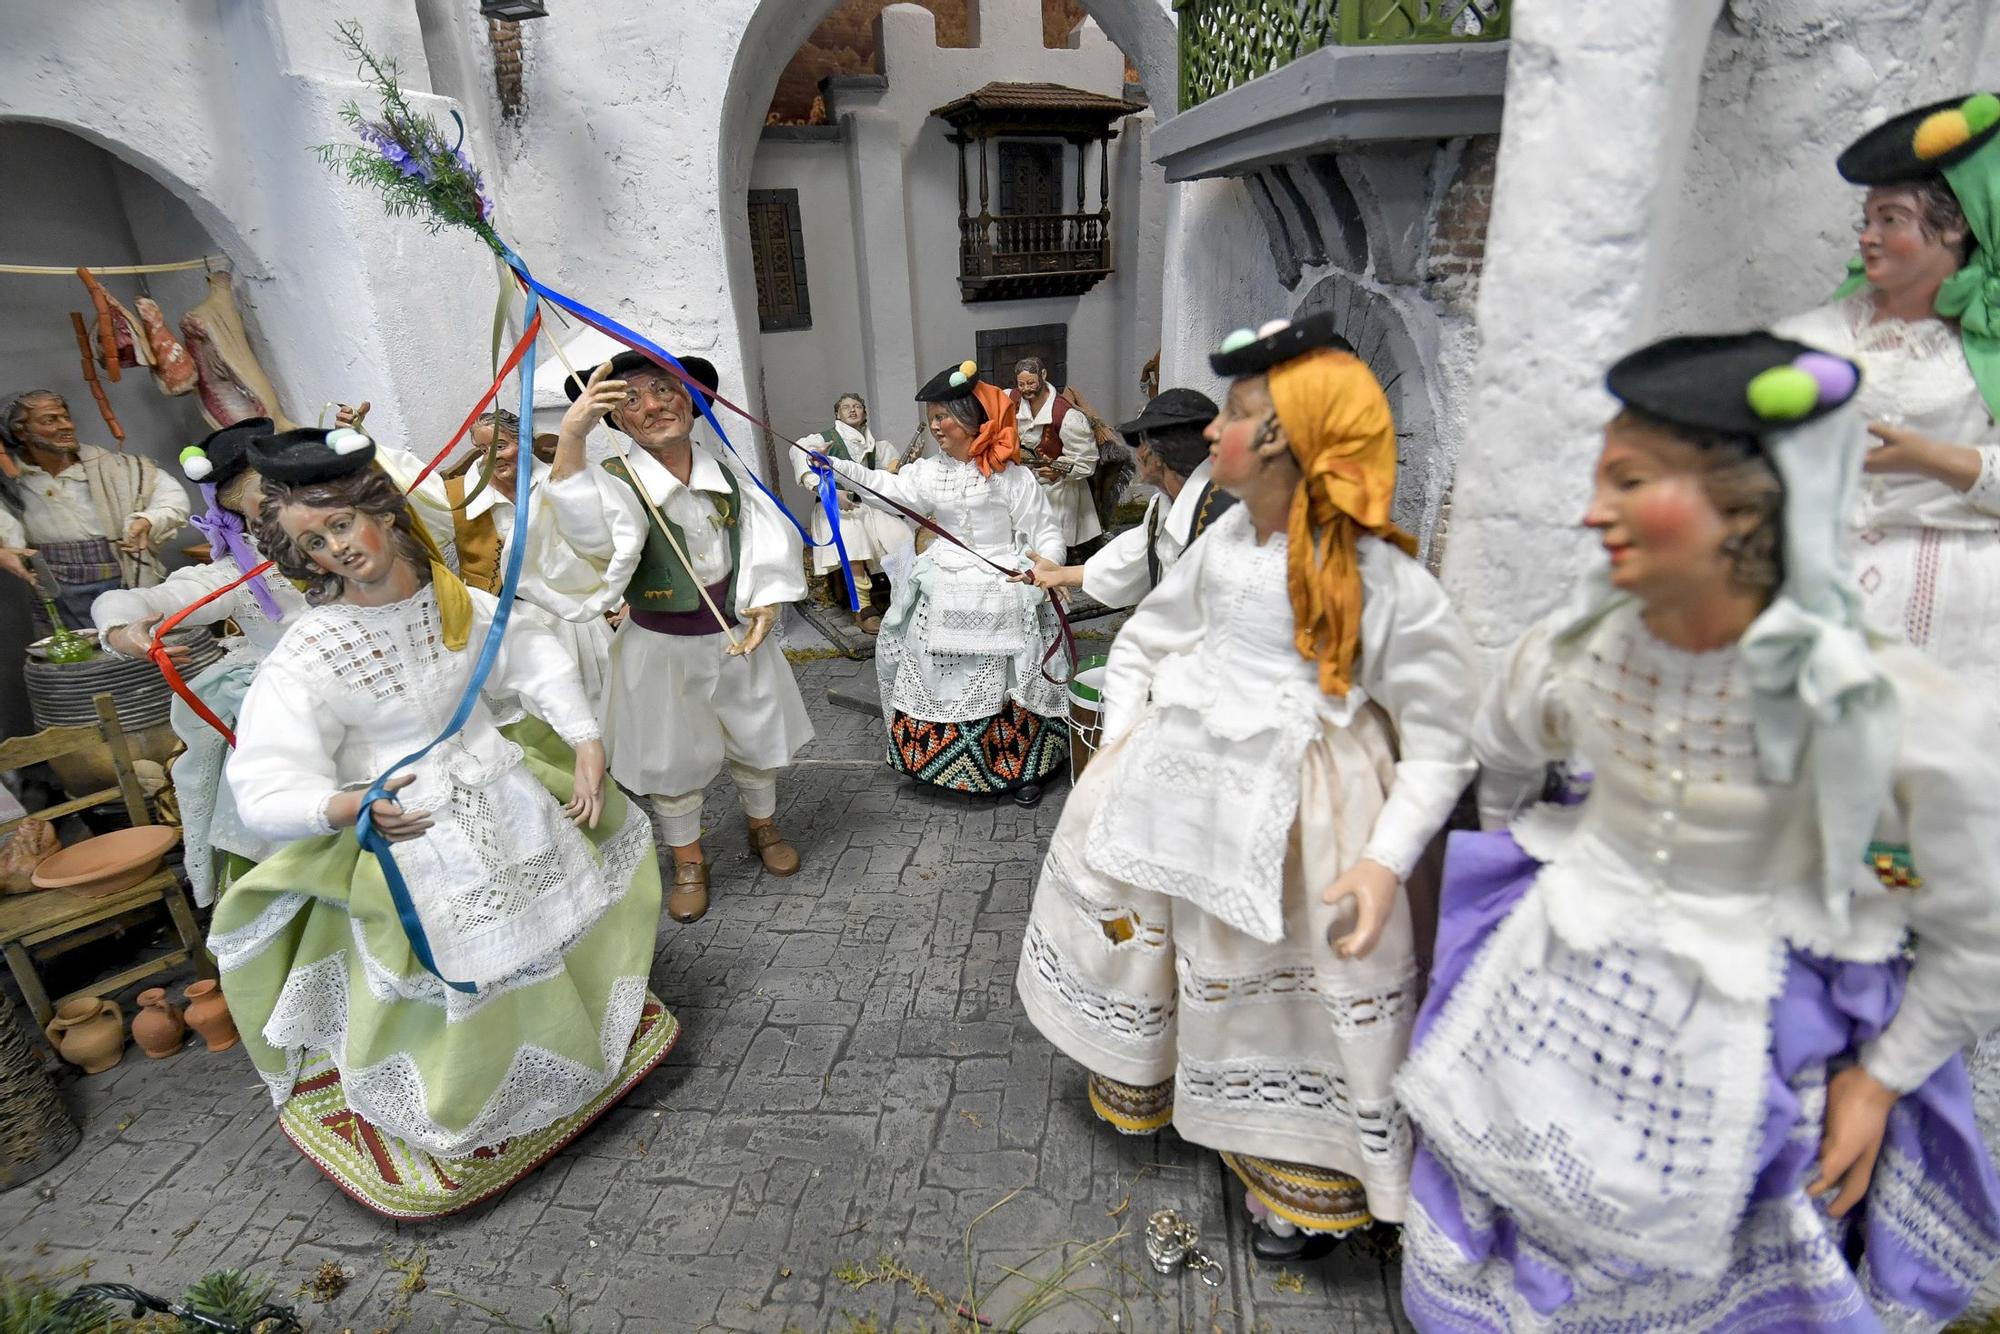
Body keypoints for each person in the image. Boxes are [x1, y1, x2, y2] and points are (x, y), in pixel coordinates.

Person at [1397, 332, 2000, 1330]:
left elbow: (1974, 925)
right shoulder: (1580, 648)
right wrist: (1525, 870)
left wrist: (1879, 1080)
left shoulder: (1868, 700)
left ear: (1741, 513)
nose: (1593, 512)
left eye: (1630, 481)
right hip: (1560, 990)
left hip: (1757, 1023)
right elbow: (1498, 742)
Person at [1015, 313, 1478, 1259]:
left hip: (1309, 813)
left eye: (1236, 418)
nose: (1210, 437)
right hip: (1189, 782)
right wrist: (1129, 723)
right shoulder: (1227, 549)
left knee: (1293, 992)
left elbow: (1442, 741)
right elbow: (1150, 631)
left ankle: (1301, 1171)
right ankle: (1157, 1072)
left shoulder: (1372, 574)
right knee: (1171, 940)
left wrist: (1386, 863)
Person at [216, 425, 673, 1219]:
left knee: (545, 930)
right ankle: (471, 1101)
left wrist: (584, 736)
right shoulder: (313, 651)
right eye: (313, 541)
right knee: (451, 973)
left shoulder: (454, 598)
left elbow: (527, 648)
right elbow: (263, 775)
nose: (336, 548)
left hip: (500, 791)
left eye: (341, 523)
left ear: (382, 515)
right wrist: (340, 804)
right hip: (412, 831)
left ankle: (566, 1050)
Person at [550, 351, 813, 924]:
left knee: (755, 736)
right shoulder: (613, 483)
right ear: (616, 419)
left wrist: (764, 596)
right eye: (633, 398)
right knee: (671, 758)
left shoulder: (729, 474)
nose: (654, 405)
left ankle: (763, 827)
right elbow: (586, 532)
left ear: (692, 400)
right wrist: (572, 436)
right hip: (660, 648)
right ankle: (689, 860)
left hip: (739, 637)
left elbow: (765, 539)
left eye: (667, 389)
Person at [1775, 93, 2000, 708]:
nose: (1869, 238)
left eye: (1892, 220)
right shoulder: (1807, 341)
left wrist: (1934, 459)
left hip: (1961, 607)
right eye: (1867, 220)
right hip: (1827, 587)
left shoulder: (1983, 353)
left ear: (1954, 228)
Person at [818, 358, 1071, 807]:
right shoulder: (929, 472)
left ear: (972, 418)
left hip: (1003, 577)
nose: (935, 426)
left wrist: (1046, 565)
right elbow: (887, 489)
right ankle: (940, 763)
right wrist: (837, 467)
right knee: (927, 655)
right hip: (946, 575)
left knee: (1006, 673)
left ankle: (1019, 768)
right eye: (931, 418)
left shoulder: (1013, 475)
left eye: (942, 417)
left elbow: (1044, 528)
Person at [90, 418, 307, 906]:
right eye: (267, 502)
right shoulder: (229, 576)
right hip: (299, 712)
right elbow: (135, 599)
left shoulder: (344, 543)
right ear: (242, 514)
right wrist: (123, 630)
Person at [0, 389, 190, 626]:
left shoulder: (115, 468)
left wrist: (147, 521)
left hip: (122, 576)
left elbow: (170, 497)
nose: (66, 426)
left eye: (65, 417)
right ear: (21, 431)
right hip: (55, 587)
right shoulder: (12, 482)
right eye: (50, 420)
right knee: (78, 652)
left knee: (139, 640)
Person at [1028, 387, 1232, 607]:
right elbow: (1130, 559)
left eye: (1140, 442)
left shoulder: (1226, 514)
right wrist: (1060, 574)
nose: (1137, 453)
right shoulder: (1162, 507)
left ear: (1155, 456)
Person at [798, 392, 913, 634]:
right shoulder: (822, 439)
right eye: (846, 407)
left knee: (902, 536)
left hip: (869, 506)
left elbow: (886, 479)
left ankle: (905, 598)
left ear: (865, 413)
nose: (852, 410)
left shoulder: (877, 446)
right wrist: (825, 489)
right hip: (835, 506)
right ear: (837, 414)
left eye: (857, 406)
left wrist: (898, 471)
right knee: (853, 539)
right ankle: (862, 606)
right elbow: (798, 454)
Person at [1011, 358, 1103, 553]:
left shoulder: (1066, 416)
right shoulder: (1014, 400)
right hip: (1025, 480)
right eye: (1021, 384)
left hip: (1059, 487)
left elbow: (1086, 463)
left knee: (1054, 535)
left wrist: (1057, 469)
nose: (1026, 389)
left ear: (1043, 376)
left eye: (1031, 383)